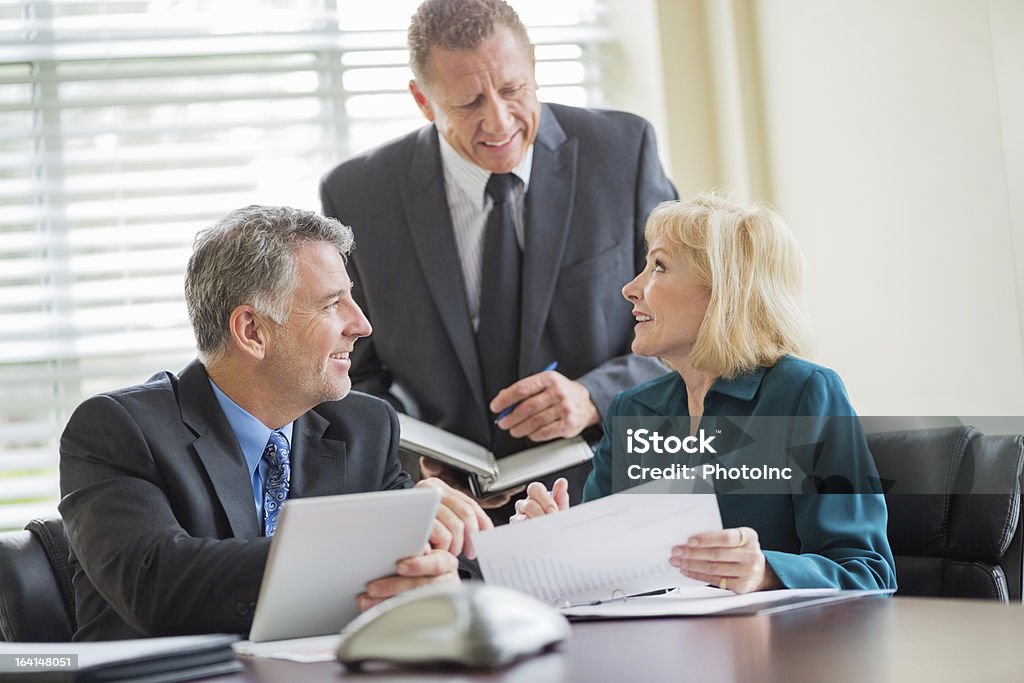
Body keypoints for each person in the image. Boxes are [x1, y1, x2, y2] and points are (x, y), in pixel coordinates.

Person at [59, 205, 491, 640]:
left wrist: (444, 561)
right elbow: (156, 583)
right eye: (332, 303)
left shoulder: (364, 425)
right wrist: (362, 544)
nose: (361, 324)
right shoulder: (117, 430)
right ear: (251, 331)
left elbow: (420, 562)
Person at [319, 0, 677, 514]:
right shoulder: (358, 195)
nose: (499, 121)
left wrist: (594, 396)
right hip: (446, 518)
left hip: (609, 494)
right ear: (424, 100)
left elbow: (695, 324)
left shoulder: (622, 151)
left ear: (533, 64)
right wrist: (413, 460)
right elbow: (352, 375)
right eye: (468, 103)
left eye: (513, 90)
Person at [512, 194, 897, 594]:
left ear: (724, 291)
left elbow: (869, 574)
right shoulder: (632, 410)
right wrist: (553, 539)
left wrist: (764, 572)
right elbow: (603, 575)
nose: (630, 288)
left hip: (778, 651)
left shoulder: (806, 394)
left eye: (659, 266)